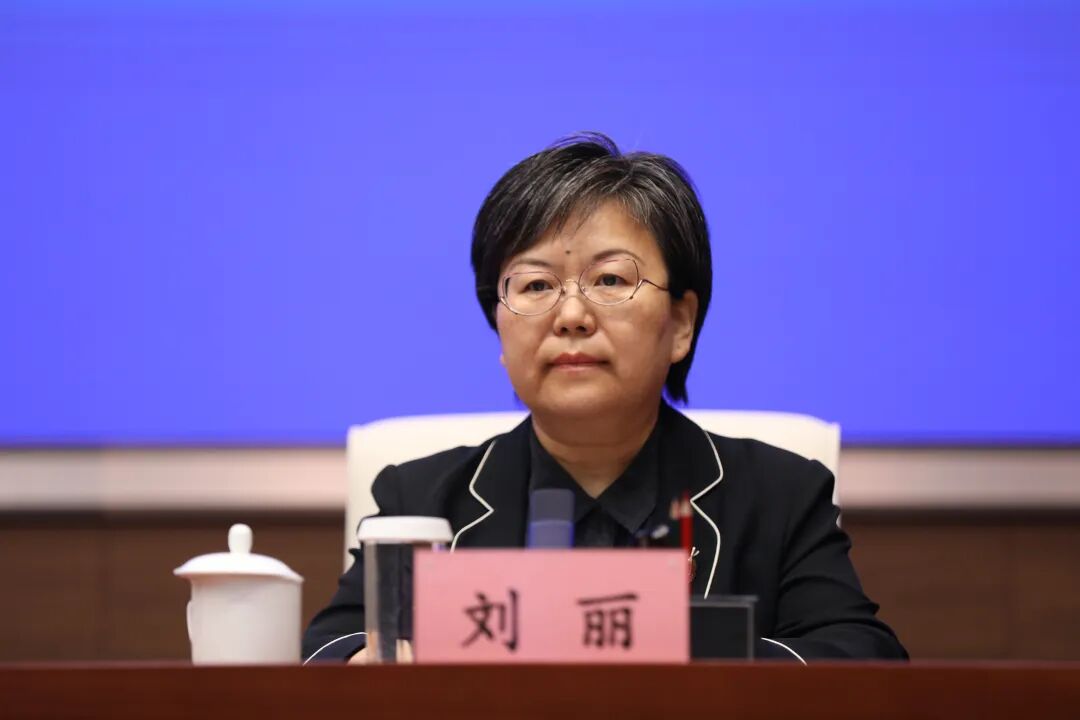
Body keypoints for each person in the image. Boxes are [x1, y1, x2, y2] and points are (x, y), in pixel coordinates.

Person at [303, 132, 907, 663]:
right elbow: (328, 650)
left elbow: (862, 658)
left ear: (680, 324)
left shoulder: (779, 495)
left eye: (610, 279)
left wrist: (681, 655)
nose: (571, 315)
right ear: (500, 329)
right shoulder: (421, 500)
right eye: (535, 285)